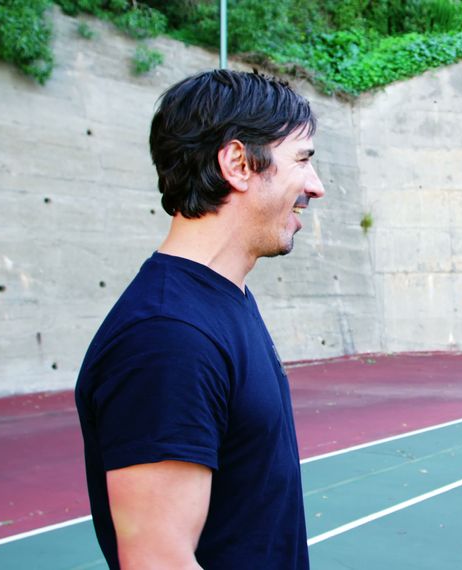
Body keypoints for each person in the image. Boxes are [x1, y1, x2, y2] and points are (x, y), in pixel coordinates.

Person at [75, 69, 325, 570]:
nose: (315, 187)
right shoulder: (167, 338)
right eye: (302, 160)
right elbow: (158, 561)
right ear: (238, 163)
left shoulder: (222, 301)